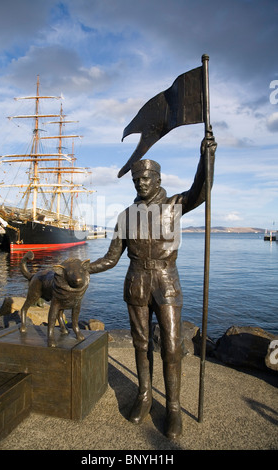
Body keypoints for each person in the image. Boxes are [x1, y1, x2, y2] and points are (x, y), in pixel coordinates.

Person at [88, 130, 217, 440]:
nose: (140, 184)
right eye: (136, 181)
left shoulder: (175, 205)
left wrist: (207, 157)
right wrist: (83, 266)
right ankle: (144, 395)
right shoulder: (125, 216)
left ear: (157, 179)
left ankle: (172, 407)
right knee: (141, 343)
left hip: (166, 280)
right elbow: (111, 257)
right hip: (135, 281)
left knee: (172, 347)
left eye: (145, 179)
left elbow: (200, 190)